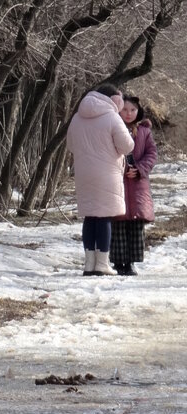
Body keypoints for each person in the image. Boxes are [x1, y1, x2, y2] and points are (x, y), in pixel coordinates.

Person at [66, 83, 134, 276]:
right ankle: (102, 263)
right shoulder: (112, 117)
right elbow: (127, 146)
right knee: (104, 215)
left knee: (90, 216)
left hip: (84, 172)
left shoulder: (77, 117)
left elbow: (70, 144)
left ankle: (89, 264)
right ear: (114, 100)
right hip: (107, 172)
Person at [110, 95, 157, 276]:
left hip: (138, 186)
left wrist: (139, 170)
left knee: (135, 225)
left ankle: (130, 263)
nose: (128, 114)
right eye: (125, 110)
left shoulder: (144, 132)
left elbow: (151, 154)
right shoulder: (112, 128)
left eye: (133, 110)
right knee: (118, 224)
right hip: (117, 182)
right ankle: (117, 262)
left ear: (138, 112)